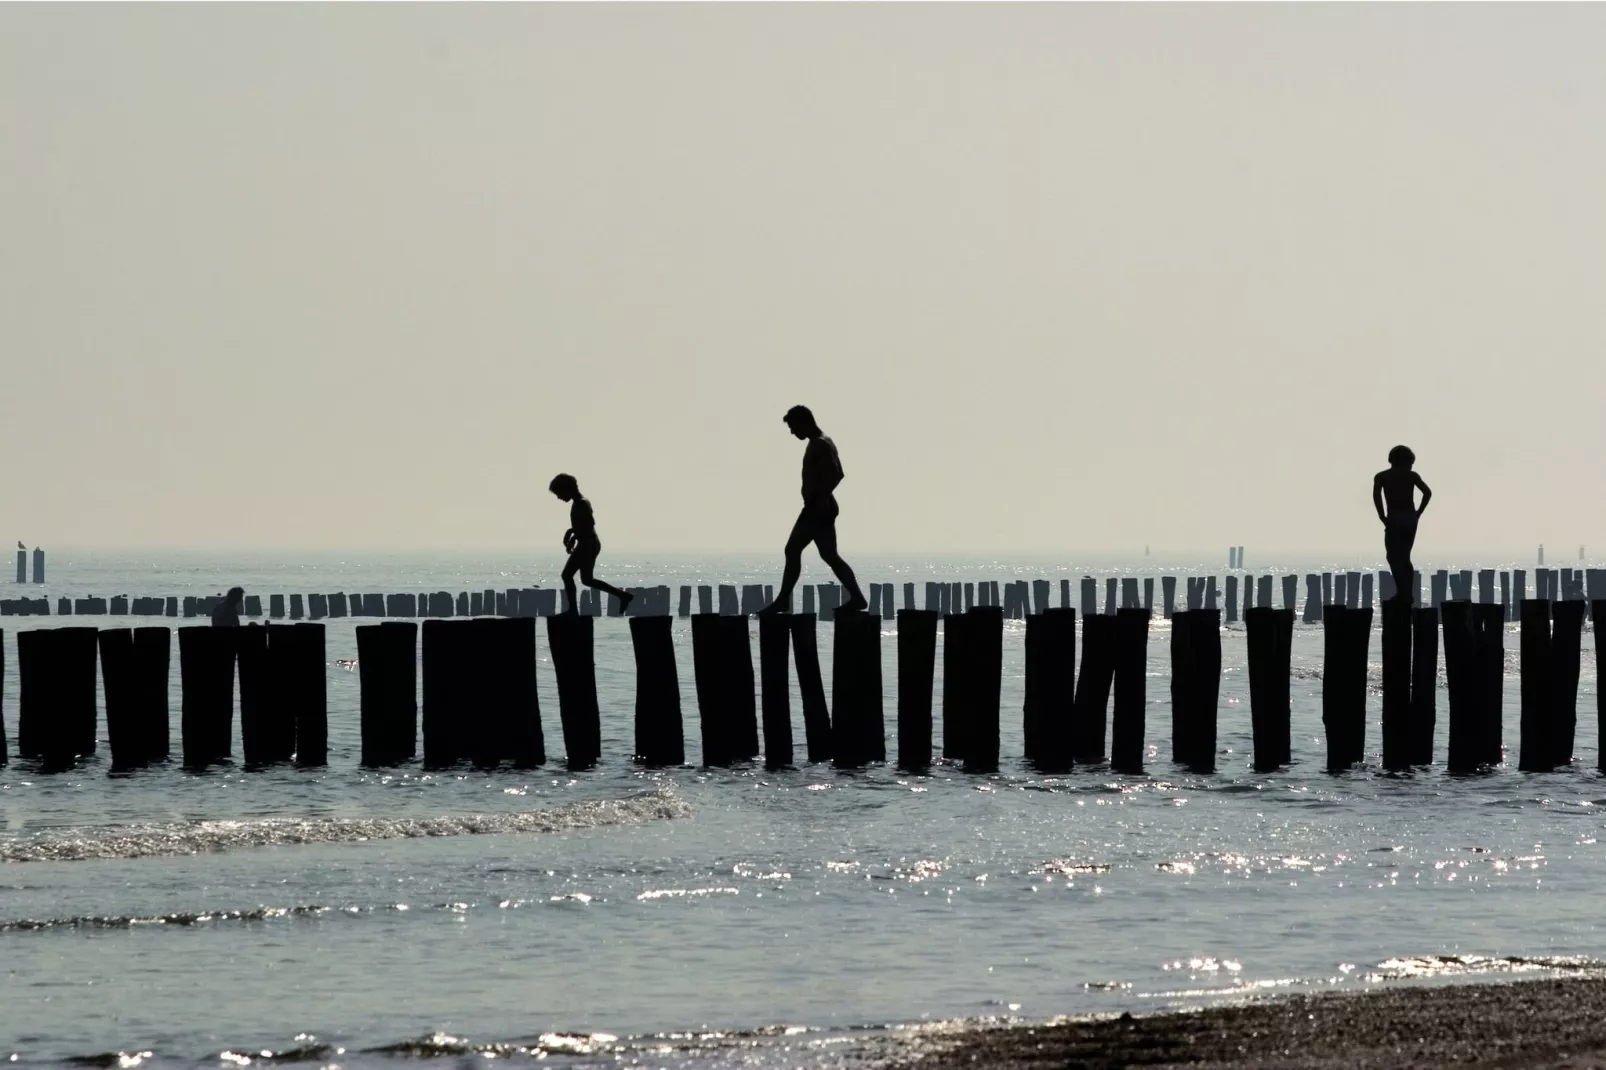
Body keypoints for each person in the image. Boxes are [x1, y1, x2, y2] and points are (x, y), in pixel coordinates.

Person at [760, 405, 868, 615]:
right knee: (829, 555)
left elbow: (837, 474)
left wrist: (821, 497)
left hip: (817, 509)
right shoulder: (819, 442)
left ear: (804, 422)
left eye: (793, 427)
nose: (792, 432)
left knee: (792, 550)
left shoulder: (820, 444)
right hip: (821, 507)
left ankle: (783, 600)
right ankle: (857, 597)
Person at [549, 473, 633, 615]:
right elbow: (583, 526)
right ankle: (623, 595)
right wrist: (573, 535)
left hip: (587, 545)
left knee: (567, 576)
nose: (558, 497)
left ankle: (573, 610)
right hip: (589, 543)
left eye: (559, 493)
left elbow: (589, 524)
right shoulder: (580, 502)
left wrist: (571, 534)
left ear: (568, 489)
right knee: (587, 579)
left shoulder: (581, 503)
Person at [1373, 445, 1432, 604]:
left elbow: (1377, 497)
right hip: (1409, 518)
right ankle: (1406, 593)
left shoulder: (1382, 476)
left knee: (1393, 556)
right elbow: (1427, 492)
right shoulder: (1411, 476)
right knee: (1404, 557)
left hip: (1394, 518)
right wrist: (1418, 513)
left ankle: (1403, 592)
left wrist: (1382, 516)